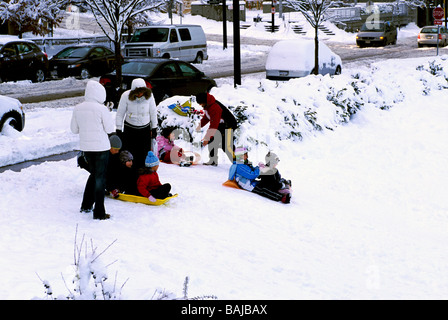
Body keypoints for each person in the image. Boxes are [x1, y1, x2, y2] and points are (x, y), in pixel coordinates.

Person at [71, 80, 115, 220]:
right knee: (100, 179)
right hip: (101, 148)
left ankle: (86, 205)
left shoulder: (77, 108)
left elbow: (74, 129)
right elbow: (110, 129)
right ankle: (99, 212)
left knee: (94, 175)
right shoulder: (101, 109)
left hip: (86, 148)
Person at [116, 78, 158, 169]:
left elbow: (153, 112)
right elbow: (120, 113)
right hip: (130, 130)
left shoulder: (150, 96)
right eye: (137, 92)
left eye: (142, 92)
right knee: (130, 154)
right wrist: (118, 128)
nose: (140, 94)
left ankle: (142, 175)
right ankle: (130, 175)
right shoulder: (125, 96)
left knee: (143, 154)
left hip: (145, 130)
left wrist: (154, 127)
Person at [195, 92, 237, 166]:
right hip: (220, 124)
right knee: (212, 141)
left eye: (200, 103)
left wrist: (207, 138)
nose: (200, 105)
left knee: (227, 146)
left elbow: (213, 125)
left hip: (229, 125)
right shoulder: (208, 106)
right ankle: (213, 160)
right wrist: (200, 125)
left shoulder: (215, 107)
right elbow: (207, 117)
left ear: (205, 101)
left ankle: (238, 163)